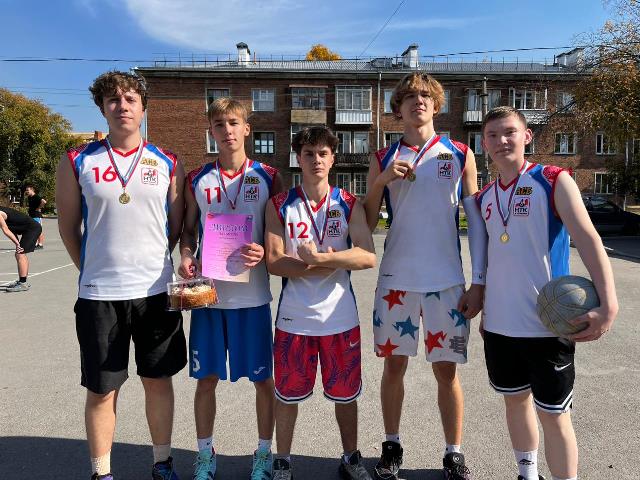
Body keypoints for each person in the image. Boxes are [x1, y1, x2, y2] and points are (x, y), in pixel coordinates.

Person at [56, 71, 187, 480]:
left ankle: (162, 463)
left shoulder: (168, 161)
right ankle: (102, 472)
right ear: (102, 108)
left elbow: (175, 227)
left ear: (143, 107)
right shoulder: (78, 160)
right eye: (113, 100)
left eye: (130, 99)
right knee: (101, 389)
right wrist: (90, 269)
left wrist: (155, 262)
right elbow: (68, 227)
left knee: (158, 382)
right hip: (99, 295)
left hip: (155, 292)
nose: (122, 106)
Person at [476, 106, 618, 480]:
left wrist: (609, 304)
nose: (501, 140)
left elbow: (588, 239)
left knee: (554, 416)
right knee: (514, 404)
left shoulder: (553, 180)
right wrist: (486, 312)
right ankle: (527, 474)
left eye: (509, 132)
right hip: (500, 326)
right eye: (492, 135)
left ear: (527, 137)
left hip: (549, 325)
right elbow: (491, 260)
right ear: (484, 144)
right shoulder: (485, 197)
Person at [362, 72, 486, 480]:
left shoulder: (460, 153)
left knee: (446, 372)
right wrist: (382, 181)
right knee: (393, 367)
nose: (418, 101)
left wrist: (479, 281)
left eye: (425, 95)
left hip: (446, 281)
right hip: (396, 279)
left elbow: (476, 222)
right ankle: (391, 445)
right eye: (410, 96)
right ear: (397, 108)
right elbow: (366, 221)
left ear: (436, 105)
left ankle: (453, 452)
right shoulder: (382, 156)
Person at [179, 97, 284, 480]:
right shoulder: (197, 179)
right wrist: (186, 255)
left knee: (263, 380)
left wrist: (266, 249)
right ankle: (205, 454)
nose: (227, 131)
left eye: (233, 122)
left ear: (247, 129)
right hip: (209, 297)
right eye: (219, 124)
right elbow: (188, 231)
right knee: (206, 380)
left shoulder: (269, 176)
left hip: (252, 298)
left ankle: (263, 453)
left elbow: (280, 233)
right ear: (211, 131)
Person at [264, 126, 376, 480]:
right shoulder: (280, 205)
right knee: (287, 396)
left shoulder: (348, 202)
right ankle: (283, 460)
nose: (316, 160)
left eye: (323, 153)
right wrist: (323, 264)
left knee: (346, 396)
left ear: (333, 158)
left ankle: (351, 457)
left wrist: (322, 259)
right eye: (309, 153)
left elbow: (367, 256)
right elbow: (274, 261)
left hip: (340, 318)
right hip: (294, 319)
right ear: (298, 158)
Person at [0, 205, 41, 292]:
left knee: (20, 254)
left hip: (32, 228)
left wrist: (17, 244)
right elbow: (10, 228)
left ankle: (23, 283)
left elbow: (5, 230)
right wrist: (17, 243)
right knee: (19, 253)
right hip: (26, 229)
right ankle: (21, 281)